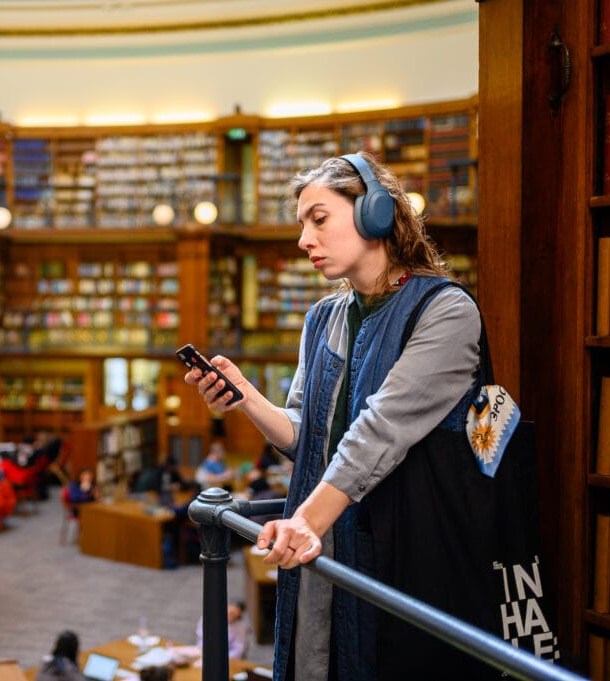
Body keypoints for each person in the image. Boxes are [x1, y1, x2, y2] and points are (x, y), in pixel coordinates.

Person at [183, 152, 482, 681]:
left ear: (376, 214)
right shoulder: (322, 318)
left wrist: (303, 520)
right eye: (302, 223)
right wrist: (247, 396)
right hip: (324, 546)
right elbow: (305, 436)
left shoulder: (446, 311)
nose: (304, 239)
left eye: (318, 219)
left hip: (403, 550)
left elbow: (378, 433)